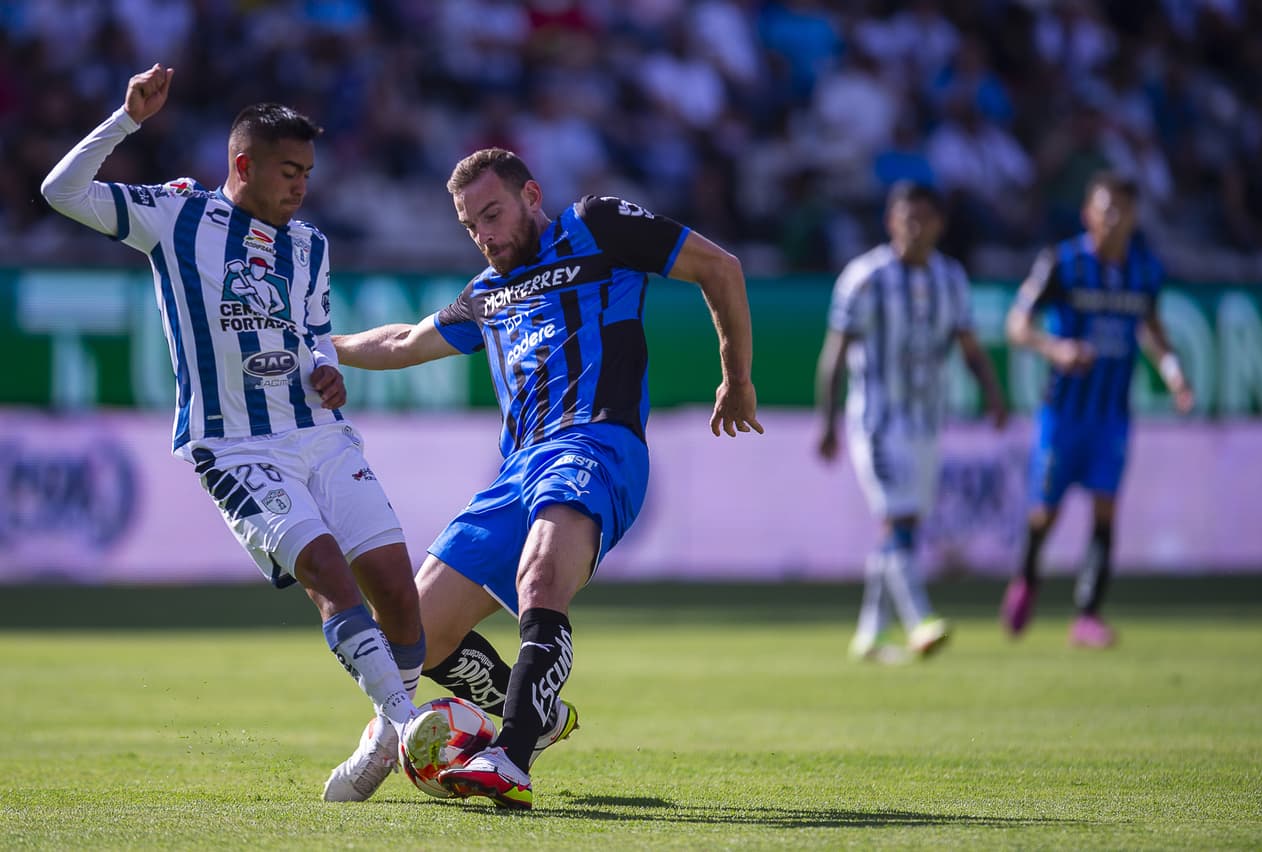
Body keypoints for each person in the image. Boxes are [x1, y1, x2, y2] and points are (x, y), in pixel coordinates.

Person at [40, 64, 435, 802]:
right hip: (233, 444)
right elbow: (59, 191)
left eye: (309, 172)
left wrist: (326, 367)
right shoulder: (175, 217)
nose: (301, 186)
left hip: (318, 433)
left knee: (398, 593)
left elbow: (314, 332)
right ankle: (412, 723)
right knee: (327, 574)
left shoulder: (311, 246)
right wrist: (125, 120)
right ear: (243, 165)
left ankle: (386, 736)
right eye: (289, 171)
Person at [334, 147, 763, 809]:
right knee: (417, 629)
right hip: (517, 472)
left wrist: (736, 378)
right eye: (471, 224)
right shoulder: (485, 293)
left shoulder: (596, 228)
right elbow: (400, 342)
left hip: (598, 442)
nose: (485, 233)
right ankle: (535, 708)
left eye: (494, 213)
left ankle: (512, 753)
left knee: (541, 578)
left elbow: (719, 266)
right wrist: (318, 348)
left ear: (531, 195)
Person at [815, 181, 1007, 663]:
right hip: (876, 421)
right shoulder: (864, 277)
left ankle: (871, 633)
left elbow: (969, 346)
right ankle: (919, 618)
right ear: (890, 221)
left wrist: (993, 393)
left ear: (940, 224)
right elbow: (834, 354)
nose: (915, 227)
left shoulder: (951, 278)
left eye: (924, 217)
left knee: (901, 527)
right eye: (906, 217)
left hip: (925, 423)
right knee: (897, 519)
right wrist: (828, 422)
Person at [1001, 172, 1194, 648]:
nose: (1112, 219)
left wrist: (1172, 373)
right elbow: (1016, 324)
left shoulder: (1145, 270)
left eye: (1122, 210)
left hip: (1111, 414)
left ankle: (1087, 615)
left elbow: (1151, 328)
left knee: (1106, 510)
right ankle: (1027, 578)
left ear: (1133, 216)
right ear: (1088, 213)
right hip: (1064, 413)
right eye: (1104, 209)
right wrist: (1055, 349)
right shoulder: (1062, 263)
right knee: (1044, 514)